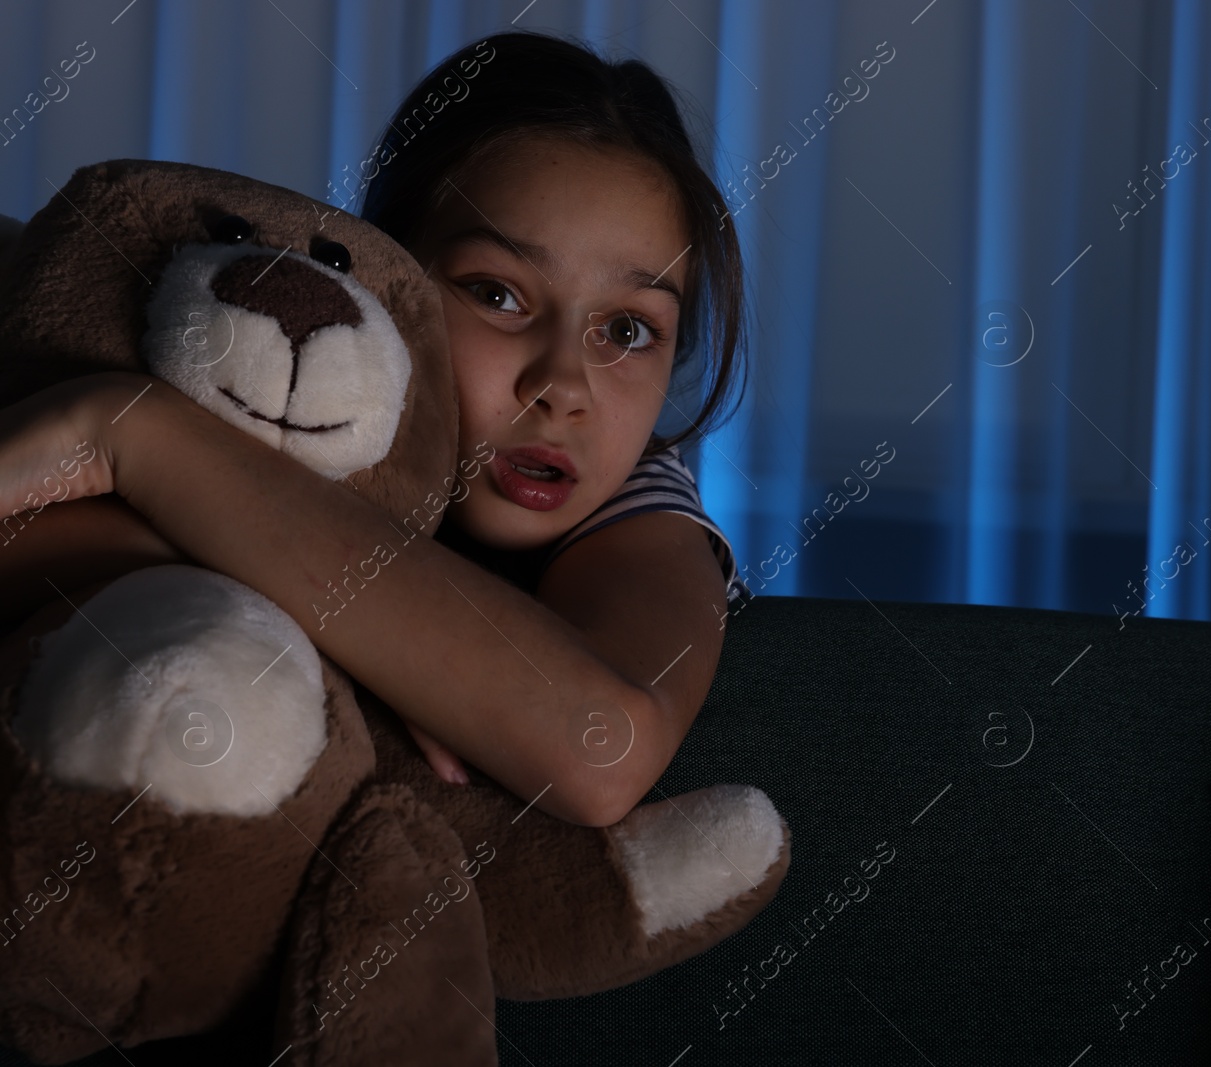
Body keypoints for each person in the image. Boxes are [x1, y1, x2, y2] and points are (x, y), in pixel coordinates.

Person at [0, 31, 749, 829]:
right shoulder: (293, 395)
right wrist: (405, 650)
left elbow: (602, 753)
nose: (563, 387)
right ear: (387, 279)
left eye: (628, 331)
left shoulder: (641, 502)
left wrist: (132, 433)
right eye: (497, 295)